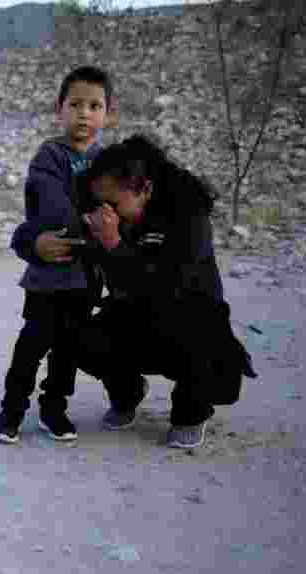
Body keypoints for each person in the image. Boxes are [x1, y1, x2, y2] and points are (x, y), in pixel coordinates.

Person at [76, 134, 256, 448]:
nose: (107, 213)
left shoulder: (187, 216)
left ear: (145, 189)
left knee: (201, 347)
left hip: (189, 319)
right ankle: (127, 393)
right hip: (134, 317)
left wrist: (115, 245)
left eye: (114, 204)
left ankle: (191, 413)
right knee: (77, 334)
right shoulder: (106, 219)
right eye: (100, 203)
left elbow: (168, 286)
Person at [0, 66, 113, 444]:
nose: (84, 113)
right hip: (48, 276)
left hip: (85, 280)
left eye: (95, 105)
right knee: (33, 342)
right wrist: (89, 223)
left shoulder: (109, 161)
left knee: (68, 349)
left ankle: (54, 409)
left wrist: (102, 225)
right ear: (59, 110)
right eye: (75, 104)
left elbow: (115, 210)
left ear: (108, 114)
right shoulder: (49, 157)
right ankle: (12, 410)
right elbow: (53, 209)